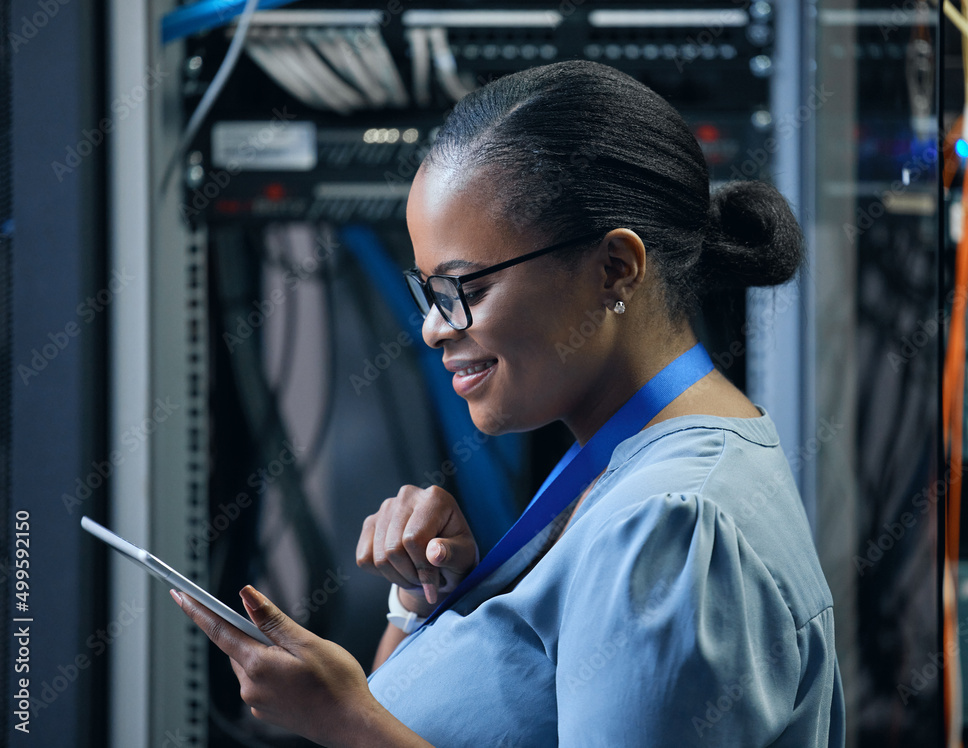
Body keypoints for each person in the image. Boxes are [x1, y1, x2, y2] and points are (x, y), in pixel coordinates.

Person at [176, 60, 845, 747]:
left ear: (616, 269)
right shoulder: (626, 465)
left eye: (465, 288)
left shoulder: (671, 530)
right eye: (429, 291)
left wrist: (344, 722)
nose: (435, 326)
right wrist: (421, 597)